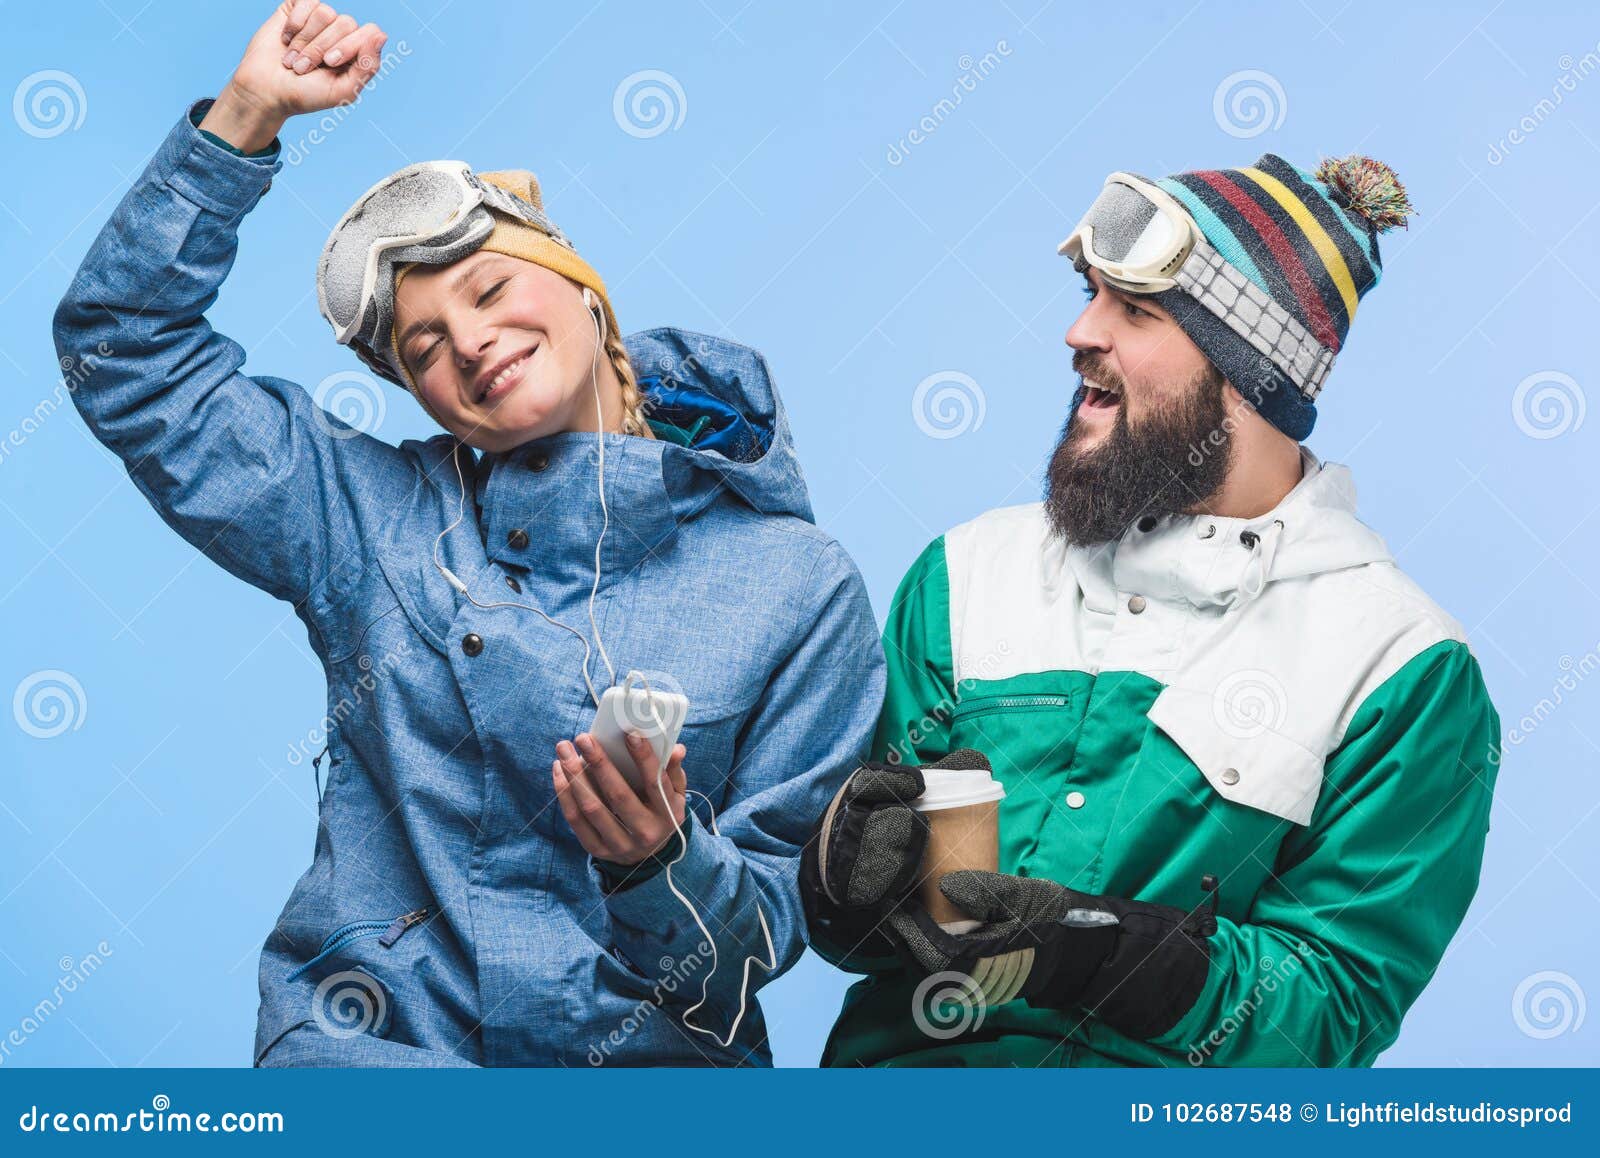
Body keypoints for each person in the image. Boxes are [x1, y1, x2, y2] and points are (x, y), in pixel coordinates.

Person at [52, 1, 883, 1067]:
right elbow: (125, 353)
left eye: (491, 289)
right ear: (421, 396)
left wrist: (657, 865)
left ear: (584, 288)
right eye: (425, 346)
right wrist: (245, 119)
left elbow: (763, 939)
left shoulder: (795, 585)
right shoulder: (361, 521)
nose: (474, 342)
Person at [802, 152, 1502, 1067]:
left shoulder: (1400, 666)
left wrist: (1111, 956)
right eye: (1092, 295)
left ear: (1250, 376)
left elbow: (1336, 1010)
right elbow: (869, 934)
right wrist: (839, 887)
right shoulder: (966, 575)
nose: (1078, 333)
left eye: (1134, 311)